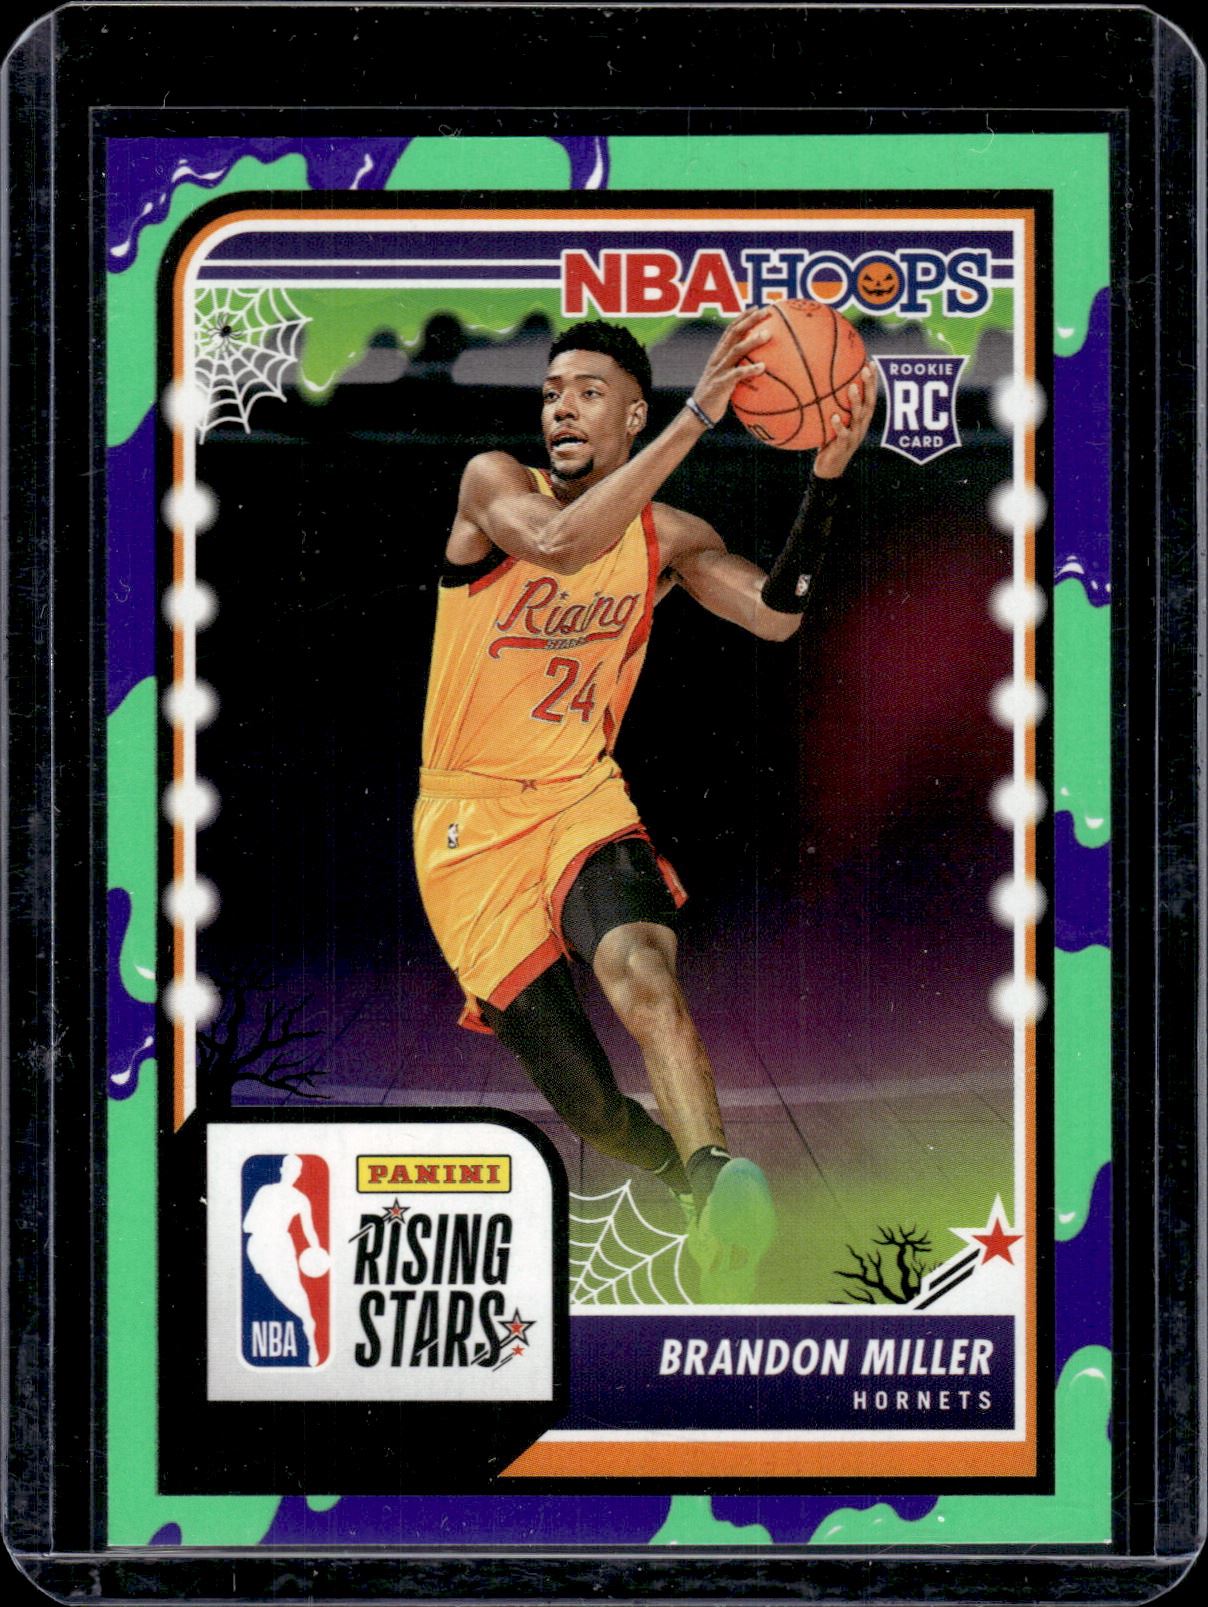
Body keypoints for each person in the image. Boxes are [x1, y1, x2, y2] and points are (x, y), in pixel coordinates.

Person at [414, 307, 876, 1299]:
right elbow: (560, 545)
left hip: (579, 795)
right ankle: (675, 1169)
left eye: (588, 393)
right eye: (552, 393)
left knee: (643, 972)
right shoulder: (496, 485)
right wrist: (696, 417)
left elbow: (777, 615)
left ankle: (718, 1192)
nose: (561, 409)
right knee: (589, 1108)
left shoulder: (670, 537)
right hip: (466, 830)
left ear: (631, 414)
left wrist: (828, 477)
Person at [242, 1154, 323, 1365]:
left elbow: (309, 1231)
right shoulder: (265, 1191)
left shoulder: (300, 1199)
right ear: (282, 1169)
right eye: (289, 1168)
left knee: (296, 1292)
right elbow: (247, 1225)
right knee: (280, 1291)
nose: (292, 1173)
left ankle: (310, 1334)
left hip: (282, 1246)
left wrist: (317, 1250)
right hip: (260, 1247)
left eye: (296, 1170)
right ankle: (305, 1321)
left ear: (299, 1173)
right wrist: (268, 1225)